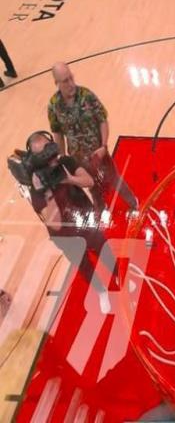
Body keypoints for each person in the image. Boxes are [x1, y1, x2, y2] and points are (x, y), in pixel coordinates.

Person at [26, 131, 112, 314]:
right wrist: (46, 192)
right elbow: (55, 223)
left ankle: (119, 275)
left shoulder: (66, 162)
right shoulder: (36, 187)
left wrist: (70, 179)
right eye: (43, 155)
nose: (51, 157)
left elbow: (89, 181)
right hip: (64, 236)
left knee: (105, 250)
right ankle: (101, 291)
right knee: (84, 266)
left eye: (49, 149)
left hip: (86, 221)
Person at [48, 62, 138, 213]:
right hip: (77, 157)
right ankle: (101, 211)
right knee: (93, 187)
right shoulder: (53, 105)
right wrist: (62, 158)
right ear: (56, 83)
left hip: (98, 153)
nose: (71, 84)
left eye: (71, 78)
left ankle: (134, 203)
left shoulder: (87, 96)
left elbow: (102, 120)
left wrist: (103, 146)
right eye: (65, 81)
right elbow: (57, 133)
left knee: (114, 179)